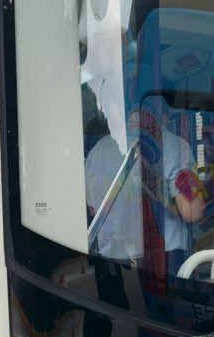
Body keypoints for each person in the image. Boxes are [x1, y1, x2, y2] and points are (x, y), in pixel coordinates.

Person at [84, 95, 205, 276]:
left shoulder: (98, 151)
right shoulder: (175, 146)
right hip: (164, 260)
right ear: (164, 116)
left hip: (112, 259)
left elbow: (94, 210)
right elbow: (191, 211)